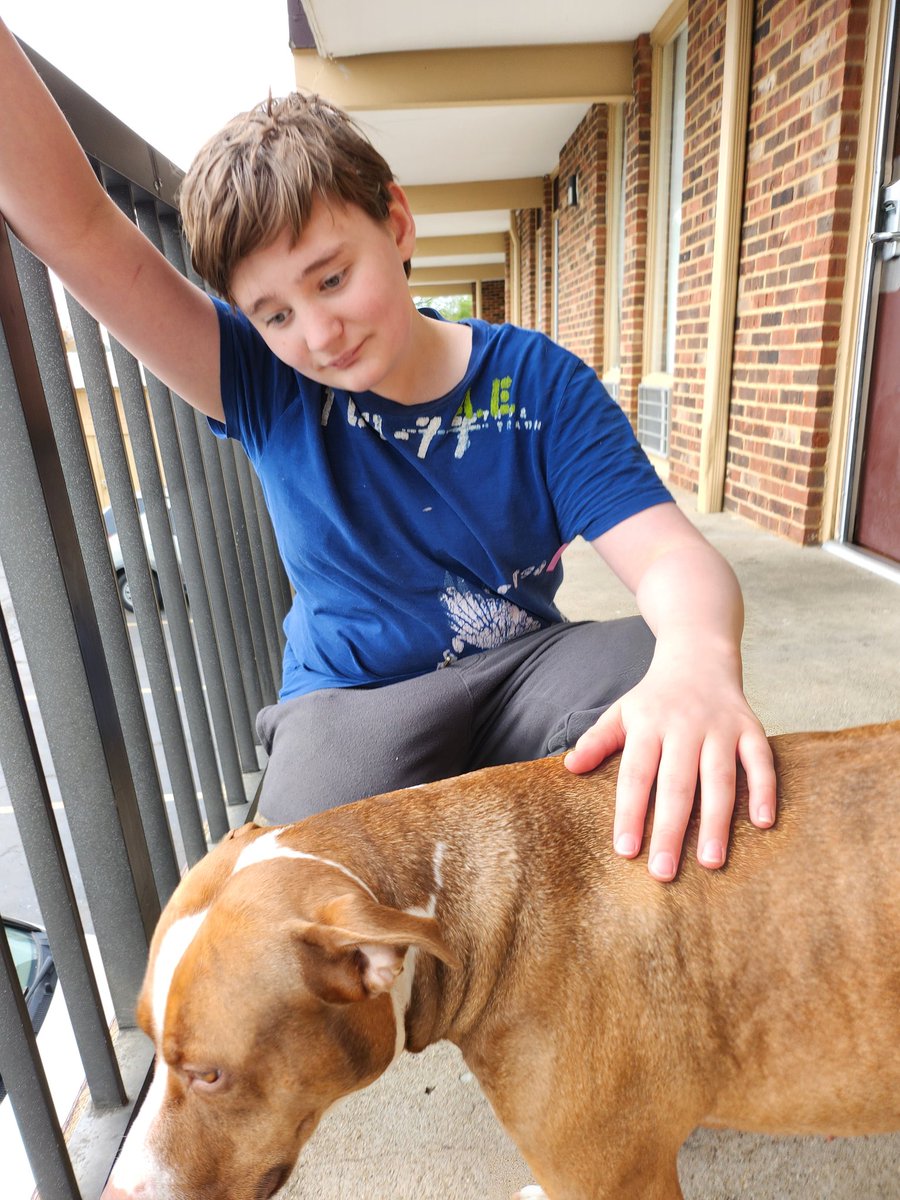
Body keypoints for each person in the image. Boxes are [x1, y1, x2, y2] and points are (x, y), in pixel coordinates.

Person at [0, 20, 776, 881]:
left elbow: (670, 553)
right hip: (352, 702)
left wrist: (699, 662)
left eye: (332, 278)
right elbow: (78, 230)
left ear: (396, 223)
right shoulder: (262, 380)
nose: (319, 331)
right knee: (288, 892)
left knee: (656, 683)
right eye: (277, 313)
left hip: (520, 672)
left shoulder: (537, 385)